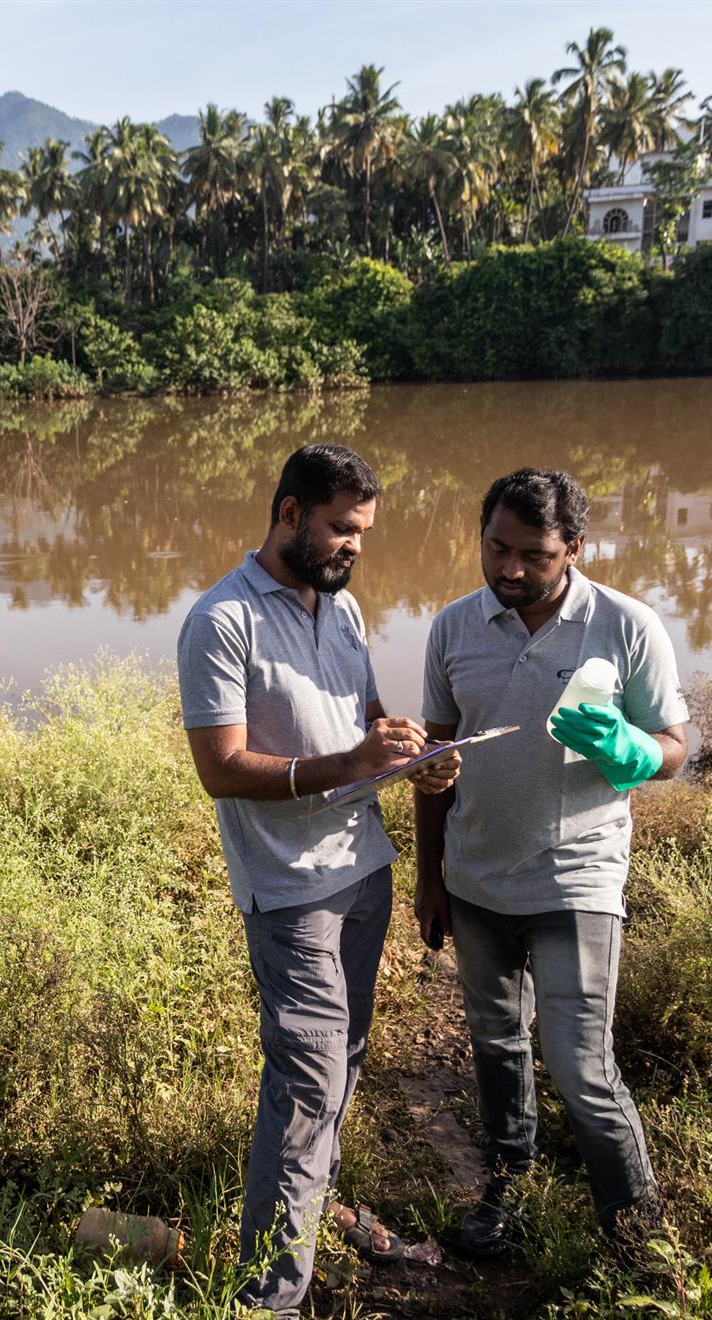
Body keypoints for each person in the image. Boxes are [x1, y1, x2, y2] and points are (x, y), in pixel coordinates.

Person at [177, 443, 459, 1316]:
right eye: (341, 528)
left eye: (363, 531)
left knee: (344, 1063)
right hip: (290, 891)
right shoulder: (221, 621)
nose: (354, 546)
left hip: (364, 872)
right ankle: (269, 1297)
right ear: (290, 513)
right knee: (307, 1084)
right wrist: (350, 763)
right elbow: (222, 769)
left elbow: (365, 721)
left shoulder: (344, 609)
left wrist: (409, 754)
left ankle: (311, 1213)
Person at [412, 467, 689, 1263]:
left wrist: (638, 751)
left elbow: (674, 746)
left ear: (574, 548)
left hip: (577, 879)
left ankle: (639, 1242)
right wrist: (430, 876)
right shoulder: (453, 627)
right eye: (496, 547)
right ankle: (508, 1187)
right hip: (475, 881)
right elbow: (437, 761)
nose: (509, 569)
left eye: (532, 555)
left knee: (581, 1067)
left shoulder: (626, 625)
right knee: (496, 1044)